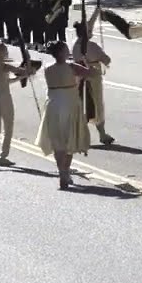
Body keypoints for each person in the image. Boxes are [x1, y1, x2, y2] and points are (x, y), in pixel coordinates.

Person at [36, 41, 92, 188]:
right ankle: (65, 172)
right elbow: (90, 73)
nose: (68, 51)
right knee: (69, 140)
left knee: (58, 142)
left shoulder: (47, 68)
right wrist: (86, 63)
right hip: (69, 105)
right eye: (66, 49)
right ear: (61, 52)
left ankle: (62, 172)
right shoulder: (72, 67)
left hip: (53, 106)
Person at [0, 43, 39, 167]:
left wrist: (23, 77)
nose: (6, 53)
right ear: (0, 53)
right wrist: (29, 70)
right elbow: (18, 70)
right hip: (4, 100)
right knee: (8, 128)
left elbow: (6, 81)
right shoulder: (4, 66)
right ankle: (3, 156)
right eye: (4, 51)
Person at [71, 11, 116, 144]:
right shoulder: (92, 46)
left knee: (81, 105)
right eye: (90, 31)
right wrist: (103, 59)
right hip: (93, 78)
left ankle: (79, 135)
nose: (92, 32)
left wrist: (96, 11)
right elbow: (107, 60)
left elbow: (88, 25)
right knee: (97, 105)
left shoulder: (75, 43)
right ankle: (102, 134)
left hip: (78, 78)